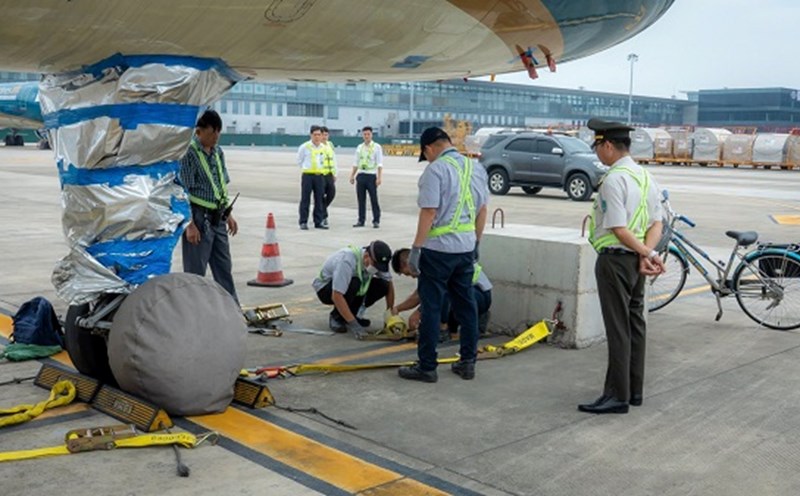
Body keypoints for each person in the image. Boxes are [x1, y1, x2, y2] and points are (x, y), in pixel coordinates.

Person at [578, 118, 665, 415]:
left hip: (616, 260)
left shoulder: (614, 179)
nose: (598, 153)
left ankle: (616, 395)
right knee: (635, 325)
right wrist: (648, 253)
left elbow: (617, 228)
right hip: (636, 263)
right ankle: (633, 390)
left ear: (608, 146)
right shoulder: (644, 177)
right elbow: (657, 222)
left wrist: (644, 252)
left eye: (598, 147)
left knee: (618, 329)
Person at [398, 127, 489, 383]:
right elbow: (482, 210)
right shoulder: (475, 168)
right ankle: (467, 362)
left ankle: (427, 366)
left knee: (432, 307)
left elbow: (428, 212)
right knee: (466, 305)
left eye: (425, 155)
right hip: (466, 249)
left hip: (437, 250)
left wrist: (416, 248)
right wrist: (476, 242)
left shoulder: (435, 170)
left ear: (428, 148)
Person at [179, 109, 239, 304]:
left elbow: (221, 185)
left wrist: (228, 215)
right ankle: (194, 312)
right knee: (196, 273)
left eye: (218, 132)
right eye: (212, 132)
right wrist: (189, 225)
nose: (216, 137)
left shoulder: (218, 152)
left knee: (224, 268)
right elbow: (182, 192)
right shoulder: (189, 154)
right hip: (198, 218)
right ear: (199, 131)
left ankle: (231, 310)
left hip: (218, 218)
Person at [391, 248, 492, 340]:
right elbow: (419, 294)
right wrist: (397, 309)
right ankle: (473, 322)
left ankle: (442, 330)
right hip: (477, 295)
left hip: (476, 295)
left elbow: (439, 293)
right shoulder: (428, 261)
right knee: (441, 308)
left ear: (407, 263)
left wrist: (419, 313)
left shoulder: (431, 264)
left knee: (440, 300)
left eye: (407, 273)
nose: (411, 277)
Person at [313, 240, 395, 339]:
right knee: (355, 282)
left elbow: (389, 284)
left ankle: (352, 315)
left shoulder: (376, 261)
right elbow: (336, 295)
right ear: (366, 256)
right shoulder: (346, 261)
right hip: (326, 289)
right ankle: (337, 317)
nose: (376, 269)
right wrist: (355, 326)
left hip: (348, 287)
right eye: (375, 266)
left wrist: (389, 316)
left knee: (382, 285)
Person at [350, 126, 384, 228]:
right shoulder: (360, 147)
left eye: (368, 134)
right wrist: (352, 175)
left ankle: (376, 220)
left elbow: (379, 164)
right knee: (361, 200)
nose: (366, 136)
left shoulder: (377, 147)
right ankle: (361, 220)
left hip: (371, 175)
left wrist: (379, 177)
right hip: (361, 175)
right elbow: (356, 163)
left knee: (374, 199)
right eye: (365, 134)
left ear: (371, 135)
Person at [297, 125, 328, 230]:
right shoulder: (305, 147)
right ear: (311, 135)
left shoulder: (323, 148)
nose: (317, 137)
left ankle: (318, 221)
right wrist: (307, 169)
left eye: (319, 135)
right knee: (305, 199)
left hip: (319, 176)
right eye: (315, 135)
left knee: (319, 199)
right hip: (308, 176)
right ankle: (303, 221)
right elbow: (299, 161)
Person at [320, 126, 337, 228]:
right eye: (323, 135)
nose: (324, 137)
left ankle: (320, 210)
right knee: (321, 197)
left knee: (331, 194)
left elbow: (334, 160)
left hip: (329, 174)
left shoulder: (330, 145)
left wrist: (335, 173)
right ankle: (323, 216)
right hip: (320, 175)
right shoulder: (317, 146)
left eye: (326, 135)